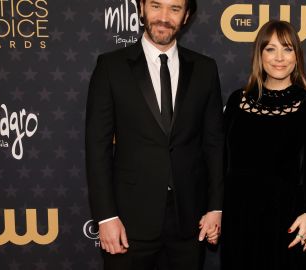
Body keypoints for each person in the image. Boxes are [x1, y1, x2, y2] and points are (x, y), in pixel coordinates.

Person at [85, 0, 223, 269]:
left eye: (175, 8)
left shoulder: (205, 69)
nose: (163, 17)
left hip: (189, 221)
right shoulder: (111, 67)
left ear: (187, 16)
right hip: (128, 223)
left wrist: (215, 207)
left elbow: (214, 143)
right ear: (141, 8)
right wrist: (105, 217)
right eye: (156, 5)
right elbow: (96, 147)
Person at [220, 20, 306, 270]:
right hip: (240, 218)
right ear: (259, 54)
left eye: (287, 49)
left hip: (287, 220)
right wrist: (215, 209)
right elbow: (220, 159)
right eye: (271, 49)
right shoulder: (237, 101)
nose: (279, 58)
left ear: (297, 55)